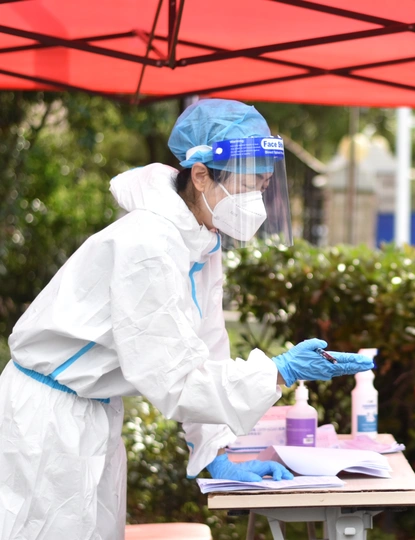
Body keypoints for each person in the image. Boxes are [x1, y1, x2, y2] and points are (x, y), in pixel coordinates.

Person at [0, 99, 374, 540]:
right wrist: (279, 371)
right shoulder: (147, 244)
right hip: (46, 422)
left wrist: (216, 451)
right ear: (200, 175)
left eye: (263, 184)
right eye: (248, 183)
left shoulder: (200, 241)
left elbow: (207, 350)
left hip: (92, 414)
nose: (256, 199)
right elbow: (174, 379)